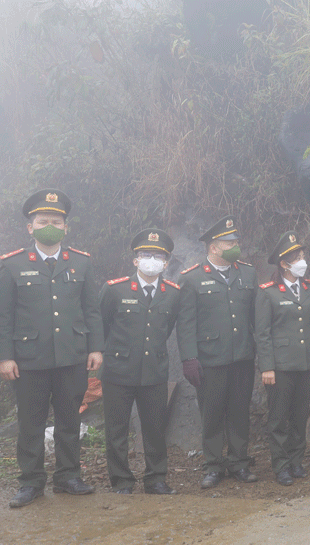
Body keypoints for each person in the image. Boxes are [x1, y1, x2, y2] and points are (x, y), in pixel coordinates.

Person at [0, 189, 104, 508]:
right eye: (43, 220)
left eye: (56, 220)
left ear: (66, 227)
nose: (50, 225)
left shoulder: (82, 263)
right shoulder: (12, 265)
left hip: (72, 356)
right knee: (30, 423)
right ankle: (31, 482)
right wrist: (5, 356)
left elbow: (92, 310)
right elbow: (4, 315)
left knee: (69, 420)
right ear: (30, 227)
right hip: (29, 360)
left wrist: (95, 348)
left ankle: (68, 476)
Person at [177, 216, 259, 489]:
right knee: (211, 413)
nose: (235, 246)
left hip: (243, 356)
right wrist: (189, 358)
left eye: (236, 242)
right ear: (213, 247)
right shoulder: (192, 278)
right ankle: (213, 465)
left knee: (239, 411)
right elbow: (186, 322)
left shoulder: (247, 273)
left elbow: (256, 317)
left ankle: (239, 462)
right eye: (229, 243)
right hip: (210, 358)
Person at [98, 229, 181, 495]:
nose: (151, 260)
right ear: (135, 260)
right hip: (118, 372)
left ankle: (156, 479)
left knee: (155, 429)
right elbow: (102, 327)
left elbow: (165, 329)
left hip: (154, 372)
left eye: (158, 256)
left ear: (166, 263)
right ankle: (121, 480)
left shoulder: (173, 293)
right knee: (117, 431)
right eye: (146, 255)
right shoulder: (114, 290)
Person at [256, 231, 310, 485]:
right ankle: (281, 465)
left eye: (302, 255)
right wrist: (267, 366)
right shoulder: (268, 292)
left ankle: (297, 461)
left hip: (307, 362)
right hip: (280, 366)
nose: (302, 261)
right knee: (278, 418)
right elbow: (262, 333)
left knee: (300, 415)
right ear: (284, 263)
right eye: (296, 257)